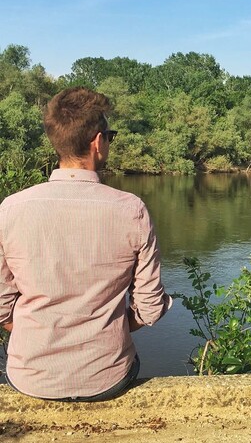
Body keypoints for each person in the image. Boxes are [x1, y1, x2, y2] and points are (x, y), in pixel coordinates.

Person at [0, 87, 171, 401]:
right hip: (108, 379)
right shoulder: (132, 210)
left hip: (30, 378)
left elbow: (1, 309)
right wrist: (108, 328)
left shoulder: (10, 209)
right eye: (110, 136)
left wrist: (36, 329)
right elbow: (150, 309)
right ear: (98, 141)